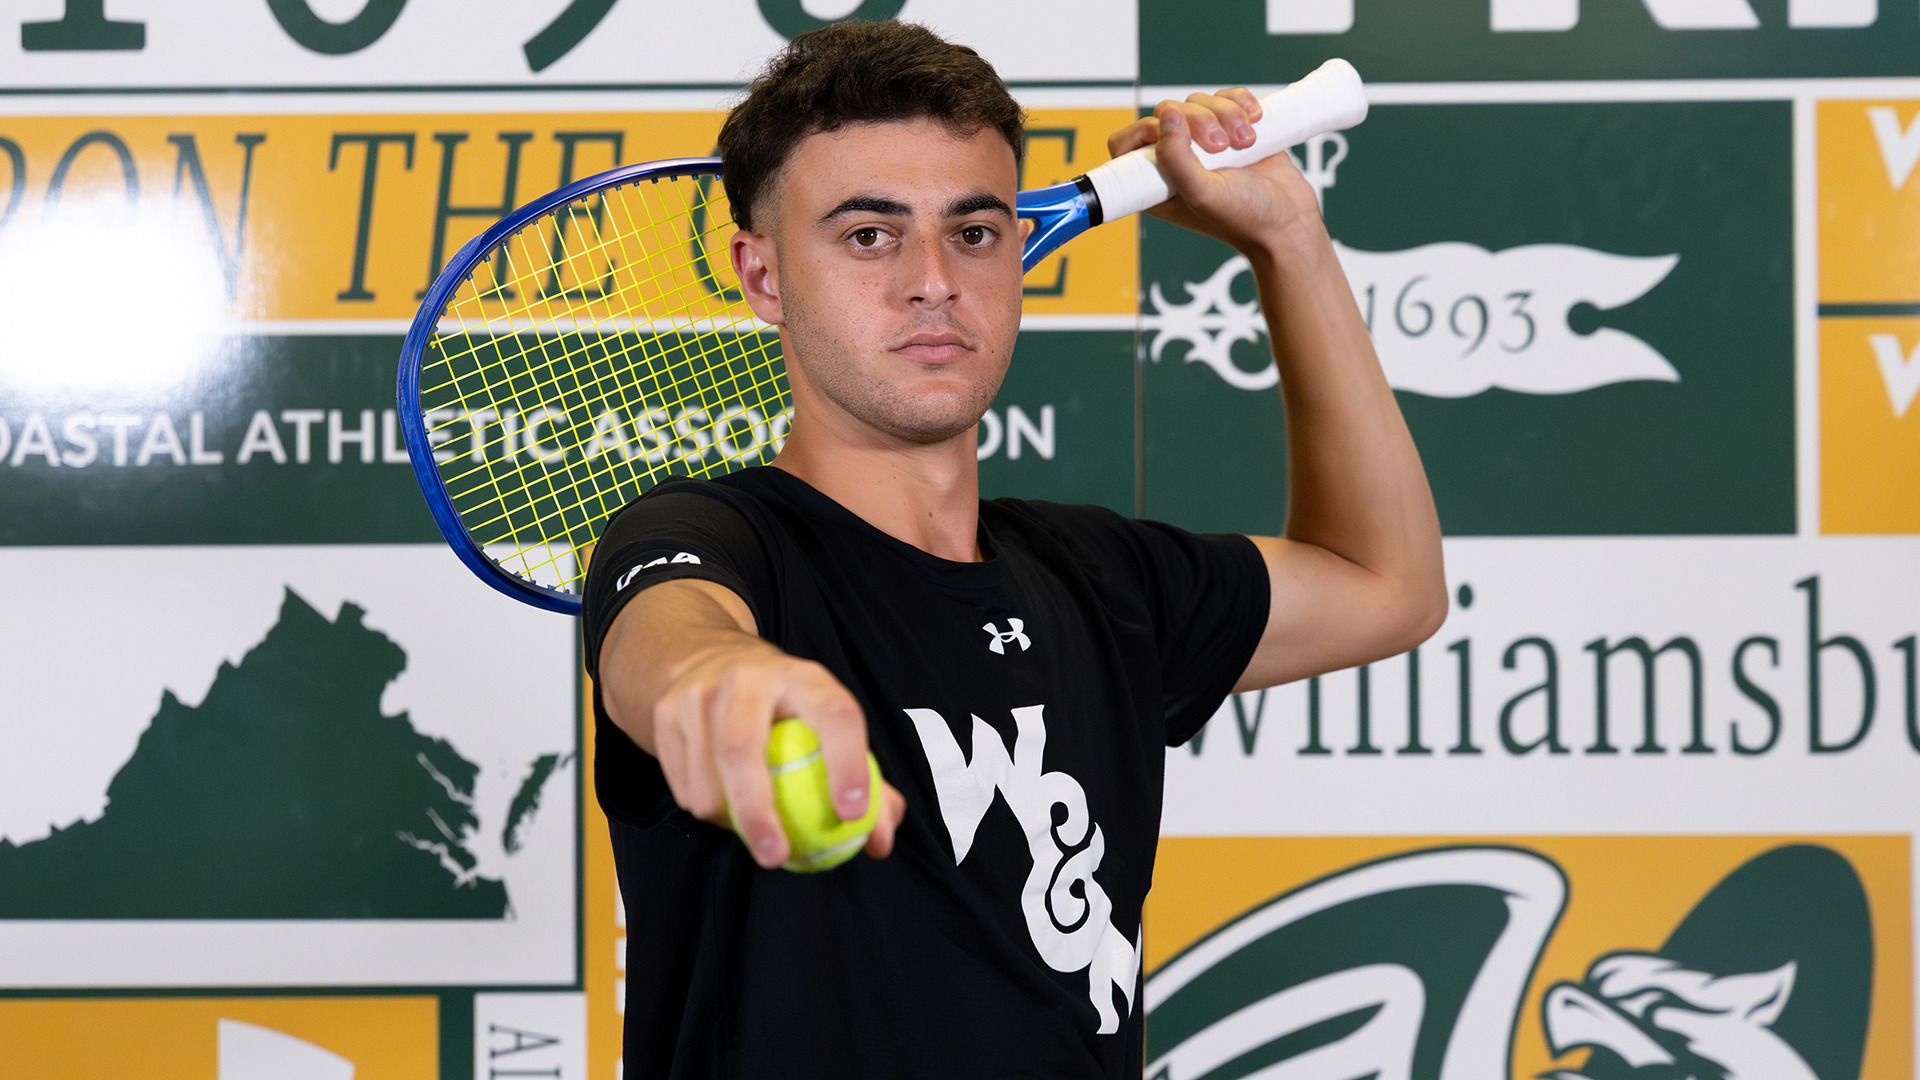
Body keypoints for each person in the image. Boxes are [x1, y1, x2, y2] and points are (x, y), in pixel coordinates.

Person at [583, 20, 1445, 1079]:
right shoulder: (711, 540)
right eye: (868, 235)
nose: (933, 279)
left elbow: (1390, 587)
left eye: (976, 232)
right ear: (762, 278)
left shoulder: (1097, 580)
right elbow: (668, 646)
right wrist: (726, 682)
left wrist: (1289, 241)